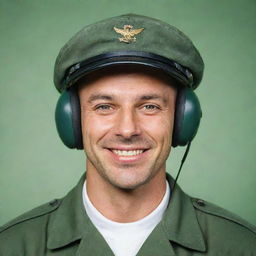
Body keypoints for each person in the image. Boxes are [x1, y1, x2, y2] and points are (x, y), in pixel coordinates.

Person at [0, 14, 255, 255]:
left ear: (182, 120)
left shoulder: (242, 247)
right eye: (104, 107)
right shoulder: (12, 247)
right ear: (72, 120)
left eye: (150, 106)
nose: (127, 129)